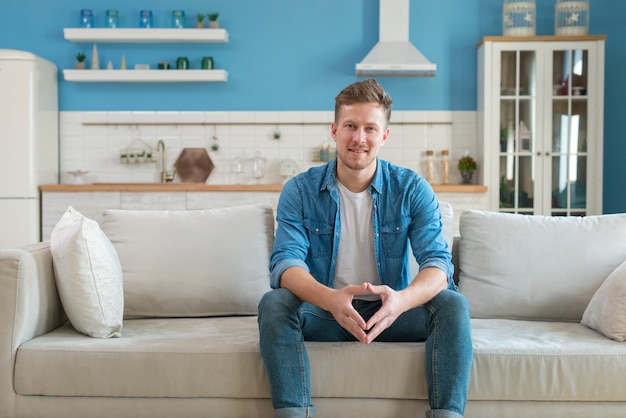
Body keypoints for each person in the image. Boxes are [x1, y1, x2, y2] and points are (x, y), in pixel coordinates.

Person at [257, 79, 472, 418]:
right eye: (351, 126)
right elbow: (286, 263)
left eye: (370, 128)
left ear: (384, 136)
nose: (359, 138)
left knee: (452, 305)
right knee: (275, 304)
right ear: (334, 130)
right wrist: (330, 298)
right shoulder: (299, 190)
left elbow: (438, 265)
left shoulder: (413, 189)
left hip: (393, 314)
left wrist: (400, 301)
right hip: (326, 312)